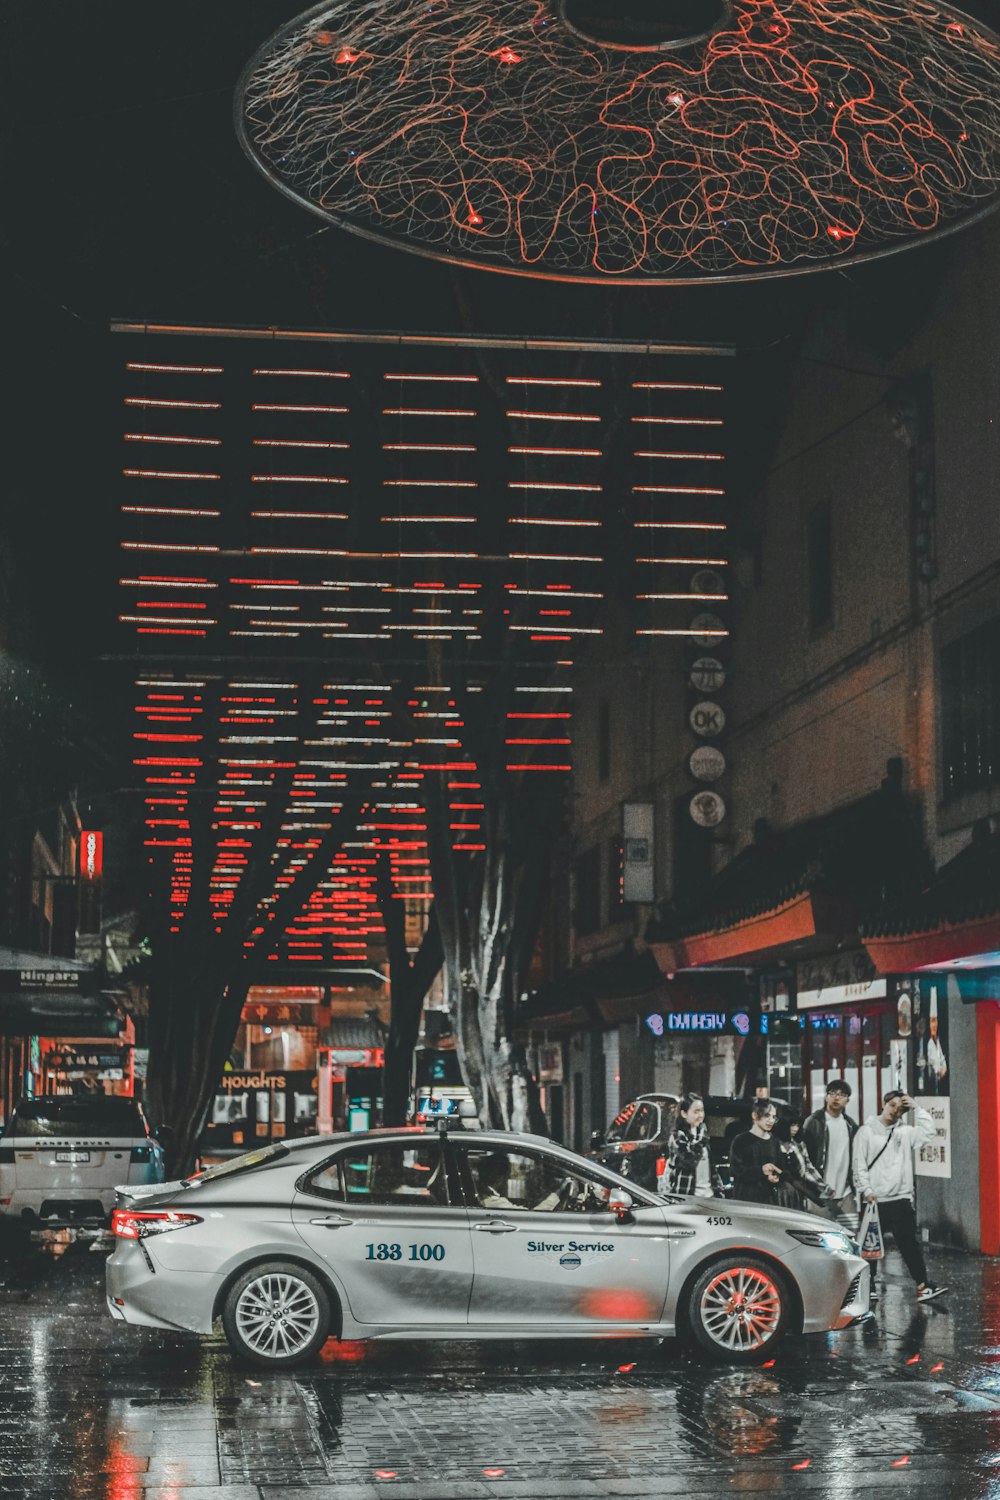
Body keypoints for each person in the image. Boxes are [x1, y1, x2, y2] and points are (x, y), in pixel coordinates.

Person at [853, 1090, 948, 1303]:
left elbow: (929, 1131)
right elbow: (859, 1166)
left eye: (901, 1108)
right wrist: (867, 1191)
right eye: (892, 1105)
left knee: (909, 1245)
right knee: (870, 1248)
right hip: (875, 1199)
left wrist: (916, 1108)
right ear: (883, 1103)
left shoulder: (905, 1132)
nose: (896, 1111)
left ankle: (923, 1285)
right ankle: (869, 1287)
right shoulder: (865, 1132)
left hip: (901, 1198)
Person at [802, 1079, 859, 1225]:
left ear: (847, 1100)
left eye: (841, 1094)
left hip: (845, 1192)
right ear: (826, 1097)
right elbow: (805, 1159)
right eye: (832, 1093)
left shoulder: (851, 1125)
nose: (836, 1097)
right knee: (821, 1236)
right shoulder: (814, 1122)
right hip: (819, 1194)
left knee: (851, 1234)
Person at [666, 1092, 722, 1198]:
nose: (700, 1115)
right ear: (684, 1113)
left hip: (709, 1195)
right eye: (696, 1111)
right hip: (687, 1196)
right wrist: (702, 1139)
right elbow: (689, 1160)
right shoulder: (678, 1136)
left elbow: (712, 1168)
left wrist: (719, 1191)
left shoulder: (703, 1135)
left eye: (702, 1111)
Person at [729, 1099, 785, 1204]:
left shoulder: (775, 1142)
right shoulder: (741, 1140)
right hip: (745, 1200)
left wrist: (776, 1177)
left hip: (768, 1200)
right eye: (767, 1115)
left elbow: (780, 1167)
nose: (771, 1120)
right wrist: (761, 1170)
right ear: (755, 1115)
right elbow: (735, 1170)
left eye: (774, 1117)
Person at [772, 1115, 827, 1211]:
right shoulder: (773, 1144)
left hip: (797, 1194)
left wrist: (822, 1186)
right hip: (778, 1194)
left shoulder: (799, 1144)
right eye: (792, 1125)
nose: (796, 1129)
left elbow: (808, 1169)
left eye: (798, 1126)